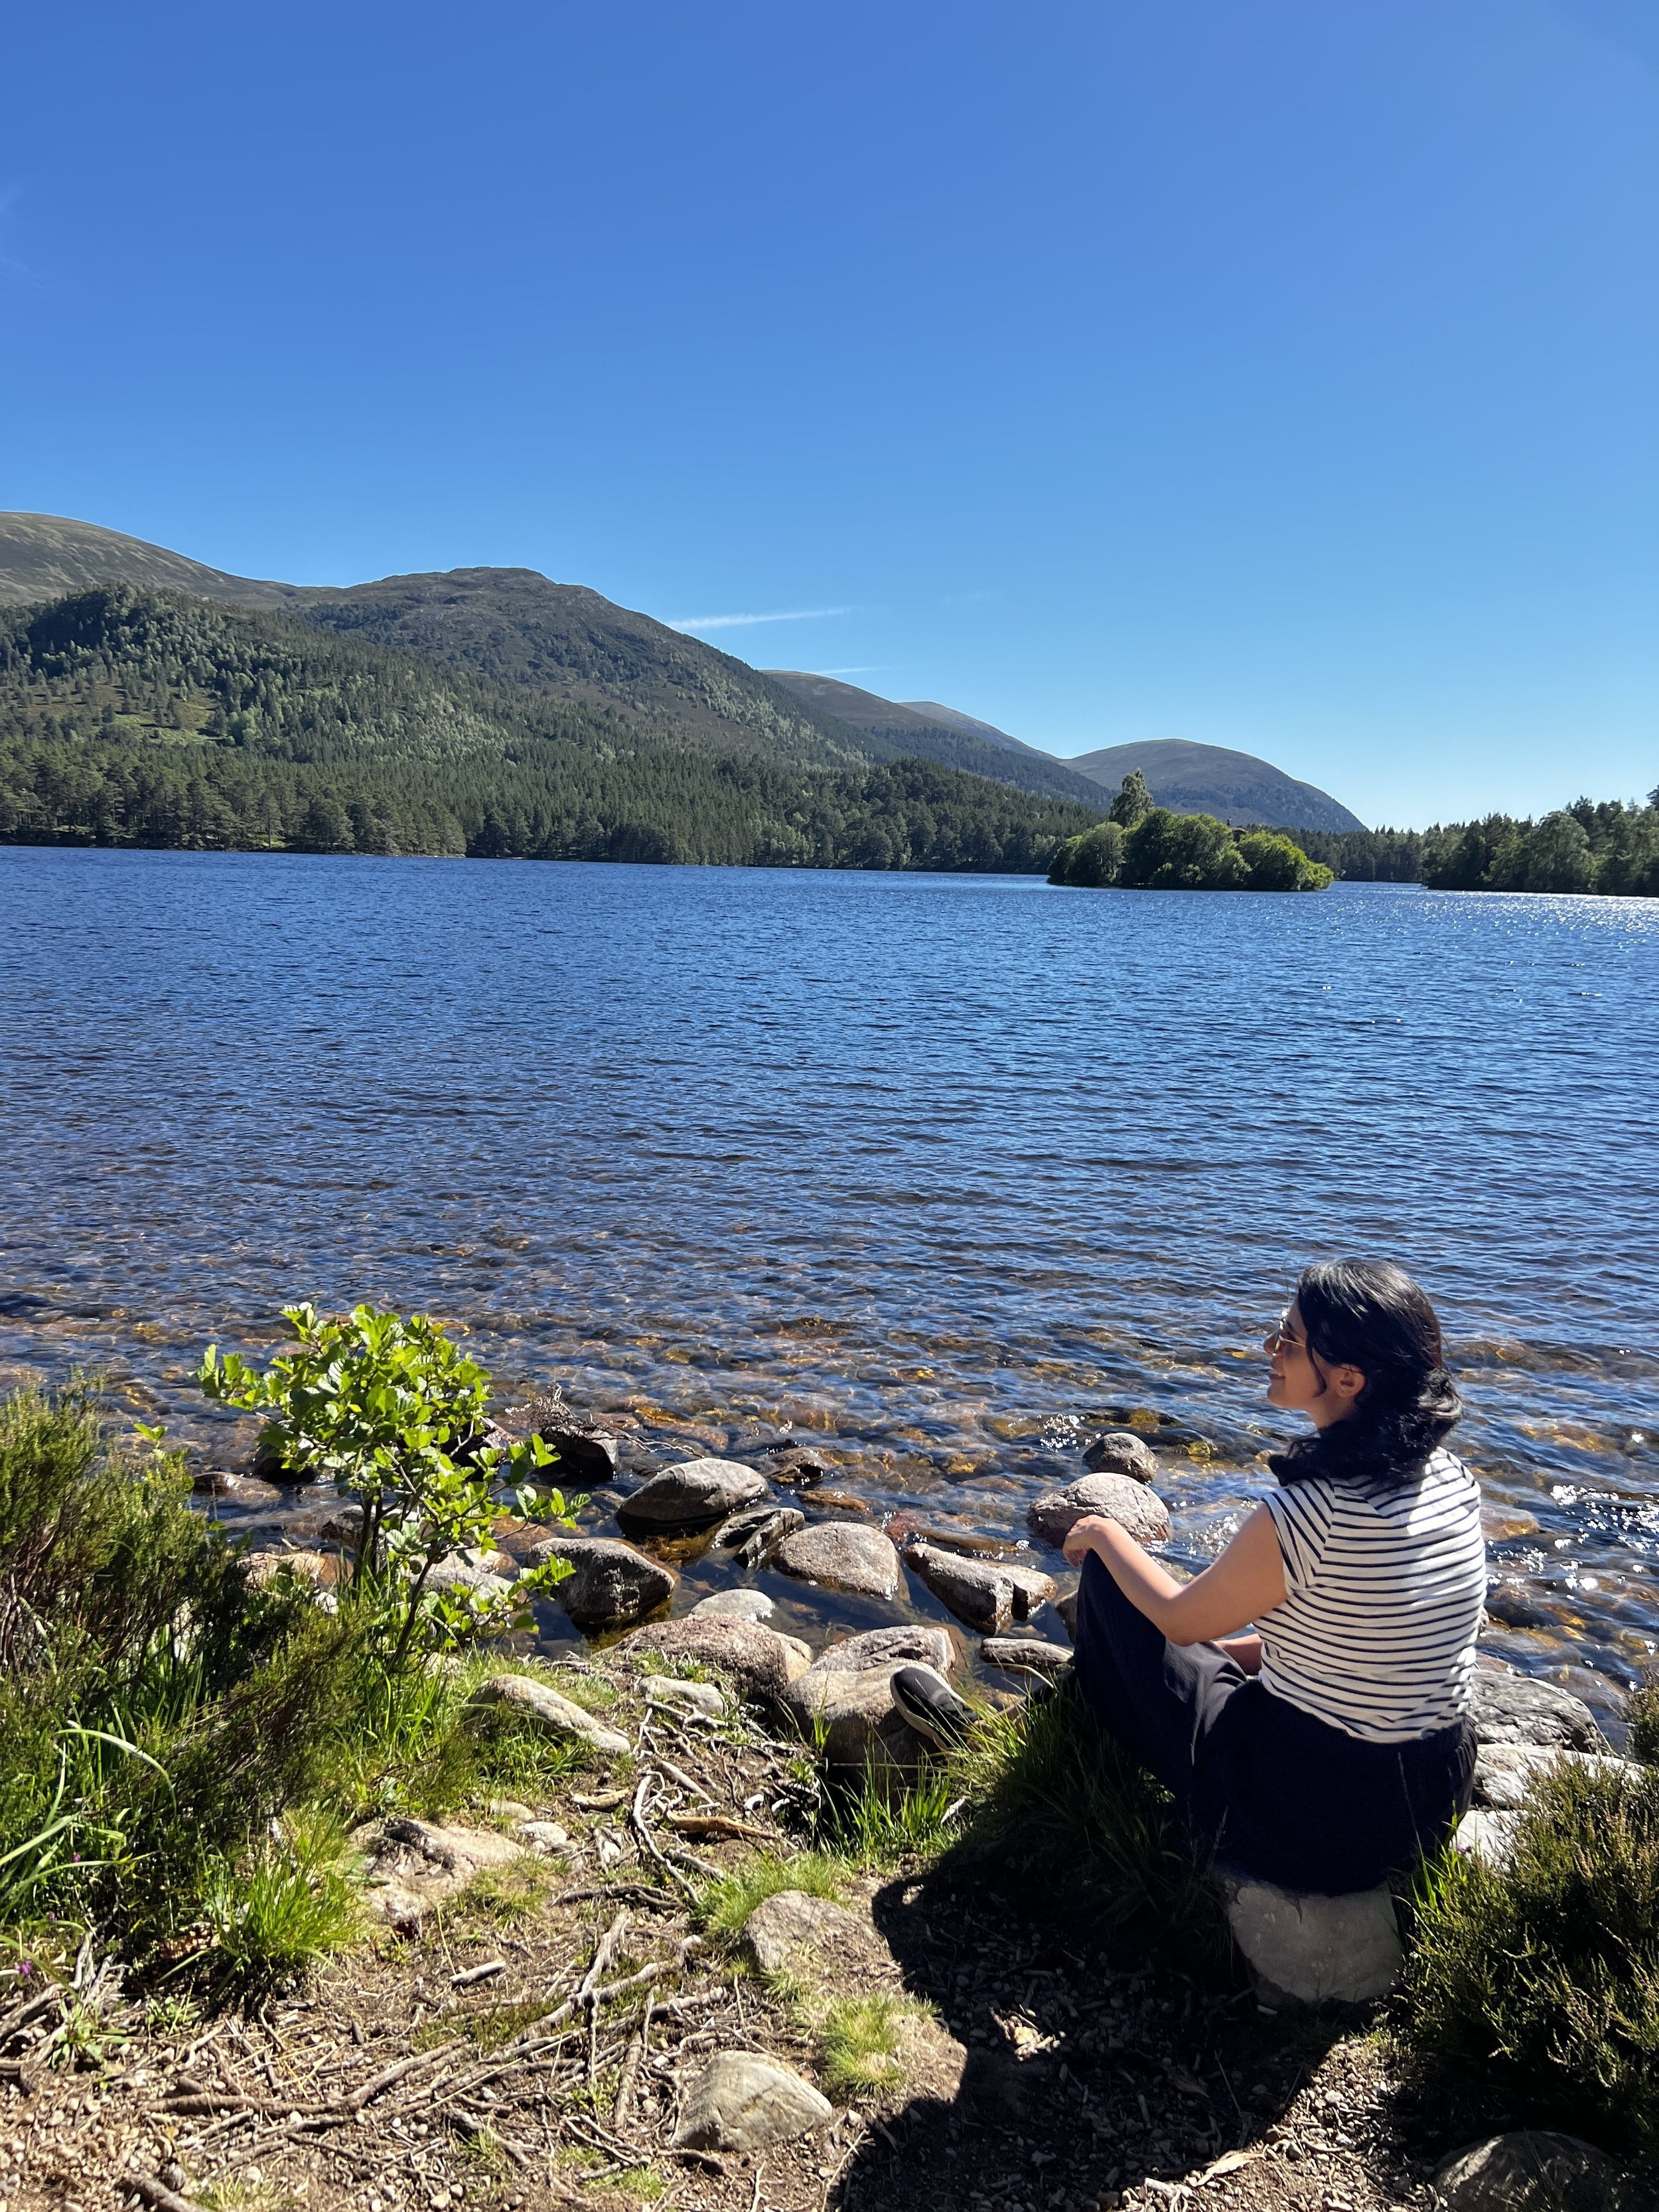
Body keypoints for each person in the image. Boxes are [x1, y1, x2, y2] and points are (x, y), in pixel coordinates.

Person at [1005, 1260, 1481, 1894]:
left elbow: (1179, 1617)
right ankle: (1066, 1707)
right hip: (1430, 1802)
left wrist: (1103, 1532)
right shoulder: (1452, 1479)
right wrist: (1224, 1652)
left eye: (1289, 1339)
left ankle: (1063, 1731)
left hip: (1311, 1819)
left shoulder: (1314, 1511)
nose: (1269, 1348)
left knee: (1109, 1584)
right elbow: (1369, 1641)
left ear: (1347, 1377)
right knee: (1199, 1651)